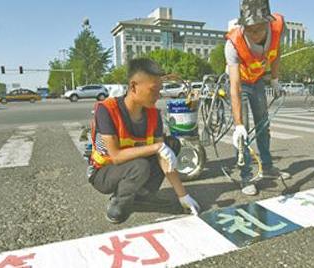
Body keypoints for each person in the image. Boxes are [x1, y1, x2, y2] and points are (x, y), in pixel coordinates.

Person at [88, 58, 201, 223]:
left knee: (171, 145)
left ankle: (143, 196)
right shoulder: (107, 110)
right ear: (133, 86)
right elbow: (116, 156)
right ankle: (119, 202)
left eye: (160, 90)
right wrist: (156, 148)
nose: (158, 95)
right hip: (104, 172)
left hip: (132, 164)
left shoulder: (153, 114)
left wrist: (183, 195)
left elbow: (164, 157)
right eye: (153, 90)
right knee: (141, 164)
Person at [225, 0, 290, 196]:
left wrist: (275, 79)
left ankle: (268, 166)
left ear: (268, 23)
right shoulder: (233, 43)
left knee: (263, 124)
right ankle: (246, 175)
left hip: (259, 81)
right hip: (241, 83)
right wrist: (238, 125)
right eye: (249, 29)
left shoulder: (278, 26)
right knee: (243, 131)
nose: (254, 34)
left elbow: (277, 52)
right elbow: (234, 87)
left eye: (259, 29)